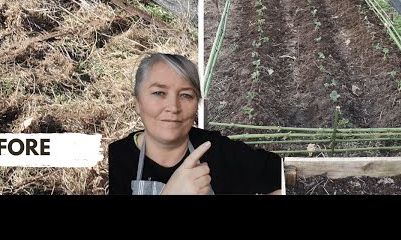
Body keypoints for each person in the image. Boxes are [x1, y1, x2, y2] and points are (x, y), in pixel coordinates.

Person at [108, 53, 282, 195]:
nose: (173, 107)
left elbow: (285, 175)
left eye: (185, 95)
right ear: (137, 102)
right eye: (159, 92)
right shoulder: (115, 160)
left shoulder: (218, 151)